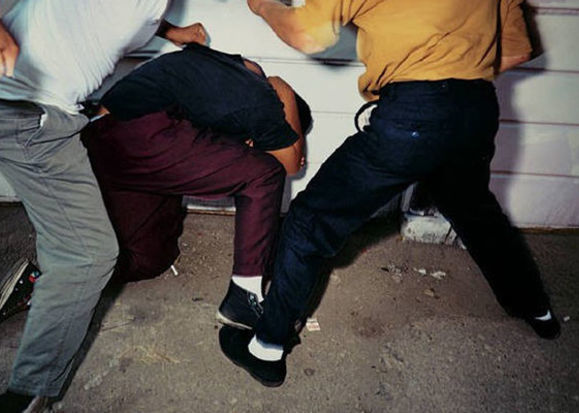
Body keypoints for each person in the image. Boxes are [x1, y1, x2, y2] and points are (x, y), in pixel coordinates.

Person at [218, 0, 561, 387]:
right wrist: (453, 77)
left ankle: (266, 348)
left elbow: (306, 33)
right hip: (475, 110)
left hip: (414, 113)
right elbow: (517, 51)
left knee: (309, 221)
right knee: (477, 213)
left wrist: (264, 6)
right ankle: (537, 311)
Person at [0, 0, 207, 411]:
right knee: (88, 255)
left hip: (23, 109)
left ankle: (42, 281)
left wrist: (171, 31)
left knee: (76, 230)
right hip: (26, 118)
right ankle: (27, 393)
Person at [0, 44, 312, 339]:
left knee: (149, 257)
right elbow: (289, 164)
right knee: (264, 174)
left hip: (107, 146)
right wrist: (282, 90)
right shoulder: (258, 97)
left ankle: (41, 282)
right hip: (142, 134)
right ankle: (244, 296)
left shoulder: (224, 69)